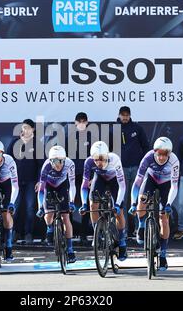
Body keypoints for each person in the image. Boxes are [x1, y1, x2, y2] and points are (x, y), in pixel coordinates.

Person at [129, 137, 180, 271]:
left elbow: (174, 186)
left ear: (169, 154)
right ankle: (141, 227)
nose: (162, 157)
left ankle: (163, 255)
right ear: (154, 151)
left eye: (165, 154)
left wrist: (169, 203)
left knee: (164, 218)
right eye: (159, 154)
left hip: (166, 183)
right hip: (151, 179)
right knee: (142, 199)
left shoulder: (174, 160)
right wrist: (133, 203)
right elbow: (137, 182)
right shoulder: (147, 158)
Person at [79, 141, 128, 261]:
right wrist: (84, 204)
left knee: (119, 212)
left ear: (107, 156)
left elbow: (122, 186)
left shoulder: (115, 159)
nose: (99, 162)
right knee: (92, 205)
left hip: (114, 181)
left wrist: (117, 204)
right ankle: (98, 233)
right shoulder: (88, 162)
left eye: (102, 159)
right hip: (99, 178)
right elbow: (84, 186)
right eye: (96, 160)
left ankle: (122, 242)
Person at [36, 146, 77, 263]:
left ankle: (70, 249)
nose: (57, 164)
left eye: (60, 161)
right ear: (50, 161)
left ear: (64, 160)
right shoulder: (46, 166)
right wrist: (40, 207)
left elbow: (72, 184)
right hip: (49, 187)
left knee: (66, 217)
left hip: (62, 186)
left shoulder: (70, 164)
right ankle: (49, 228)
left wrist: (72, 201)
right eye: (54, 161)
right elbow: (41, 189)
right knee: (49, 215)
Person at [116, 106, 150, 237]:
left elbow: (146, 146)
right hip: (121, 169)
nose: (125, 117)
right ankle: (123, 230)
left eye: (127, 115)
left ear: (130, 115)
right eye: (122, 115)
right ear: (119, 115)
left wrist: (143, 164)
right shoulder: (114, 129)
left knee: (137, 199)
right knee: (122, 200)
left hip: (136, 168)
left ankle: (138, 229)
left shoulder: (137, 128)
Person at [7, 119, 42, 244]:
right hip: (15, 181)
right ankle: (14, 232)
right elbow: (7, 160)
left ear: (33, 129)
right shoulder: (14, 142)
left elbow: (40, 165)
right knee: (14, 207)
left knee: (30, 208)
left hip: (31, 181)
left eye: (28, 127)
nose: (25, 130)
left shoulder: (37, 144)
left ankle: (28, 233)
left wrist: (39, 181)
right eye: (23, 127)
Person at [65, 112, 92, 245]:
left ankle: (83, 234)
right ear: (75, 122)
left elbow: (95, 159)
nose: (81, 123)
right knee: (69, 202)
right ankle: (69, 232)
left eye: (83, 121)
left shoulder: (91, 137)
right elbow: (63, 157)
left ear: (87, 122)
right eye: (79, 121)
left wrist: (92, 177)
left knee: (85, 203)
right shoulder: (69, 136)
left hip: (86, 175)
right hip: (71, 174)